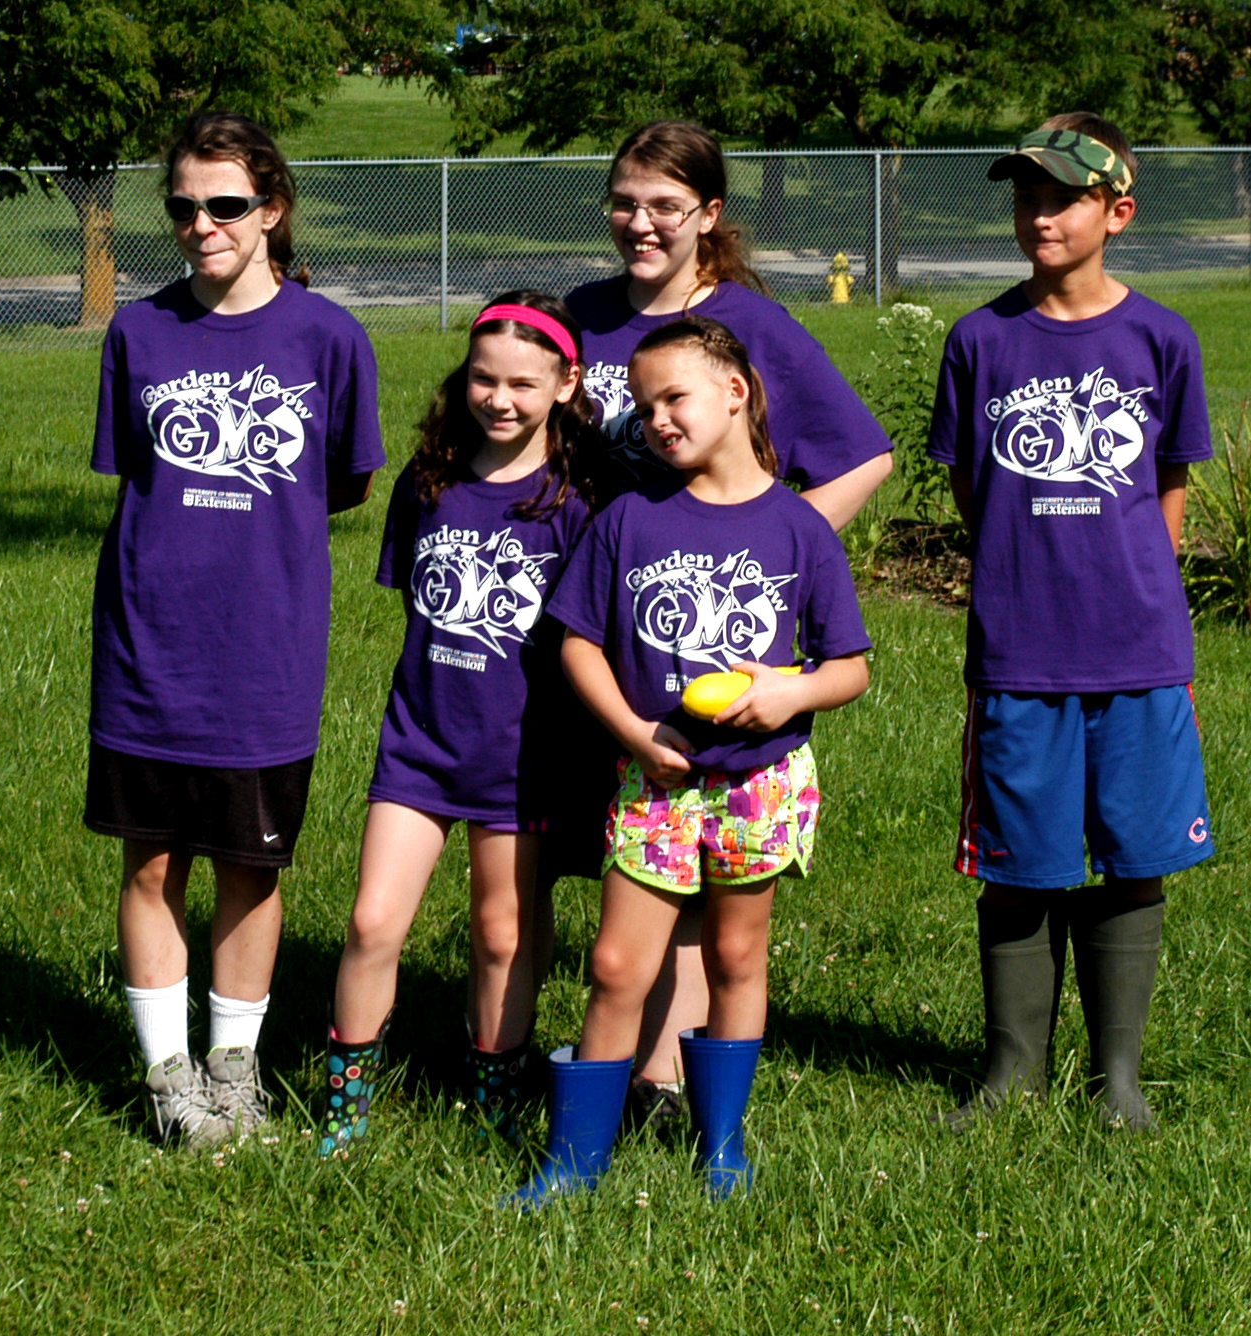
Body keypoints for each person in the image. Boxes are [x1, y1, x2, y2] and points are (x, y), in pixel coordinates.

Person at [559, 120, 893, 1128]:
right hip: (598, 642)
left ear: (708, 216)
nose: (640, 223)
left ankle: (664, 1083)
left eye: (665, 205)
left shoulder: (753, 325)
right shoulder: (580, 315)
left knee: (709, 894)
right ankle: (560, 1058)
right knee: (601, 873)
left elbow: (863, 455)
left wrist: (778, 548)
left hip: (706, 667)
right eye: (624, 201)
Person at [509, 315, 870, 1206]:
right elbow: (577, 646)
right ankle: (573, 1161)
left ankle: (721, 1147)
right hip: (654, 779)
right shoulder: (629, 520)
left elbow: (849, 667)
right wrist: (633, 735)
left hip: (760, 783)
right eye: (642, 405)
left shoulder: (797, 528)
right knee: (616, 967)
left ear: (735, 392)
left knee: (737, 960)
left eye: (673, 397)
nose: (658, 419)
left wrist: (789, 692)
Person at [87, 111, 384, 1148]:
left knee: (250, 866)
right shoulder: (139, 332)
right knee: (151, 862)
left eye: (225, 205)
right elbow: (140, 470)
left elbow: (338, 481)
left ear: (272, 210)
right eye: (182, 206)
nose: (200, 224)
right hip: (147, 644)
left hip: (266, 648)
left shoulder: (330, 337)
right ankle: (169, 1078)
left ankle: (234, 1068)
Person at [927, 114, 1213, 1133]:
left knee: (1135, 855)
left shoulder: (1160, 338)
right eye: (1024, 196)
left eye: (1062, 196)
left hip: (1137, 647)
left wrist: (1127, 581)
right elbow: (974, 487)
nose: (1037, 214)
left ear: (1116, 211)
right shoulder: (979, 339)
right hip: (1018, 651)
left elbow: (1165, 488)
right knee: (1018, 861)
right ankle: (1011, 1070)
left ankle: (1117, 1075)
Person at [318, 293, 597, 1157]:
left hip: (525, 757)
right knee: (371, 924)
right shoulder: (429, 480)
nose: (500, 399)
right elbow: (416, 605)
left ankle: (495, 1094)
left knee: (501, 931)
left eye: (522, 382)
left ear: (564, 383)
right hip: (420, 743)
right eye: (483, 378)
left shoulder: (579, 498)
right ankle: (344, 1104)